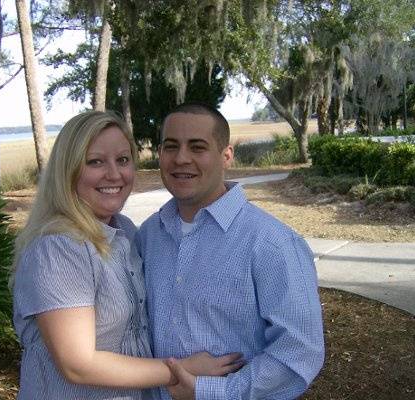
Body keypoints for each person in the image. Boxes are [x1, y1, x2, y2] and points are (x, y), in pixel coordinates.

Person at [11, 110, 242, 400]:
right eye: (95, 162)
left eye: (122, 160)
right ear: (68, 170)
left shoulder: (126, 232)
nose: (114, 174)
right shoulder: (58, 248)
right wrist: (181, 370)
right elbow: (78, 365)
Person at [136, 103, 325, 400]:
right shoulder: (148, 235)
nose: (181, 158)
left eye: (198, 147)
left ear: (226, 156)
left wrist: (208, 391)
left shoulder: (271, 243)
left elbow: (299, 352)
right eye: (171, 146)